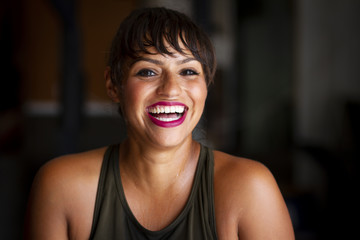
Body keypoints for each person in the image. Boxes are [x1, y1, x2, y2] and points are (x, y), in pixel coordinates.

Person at [24, 7, 295, 240]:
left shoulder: (250, 188)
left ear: (206, 86)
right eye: (148, 71)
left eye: (188, 71)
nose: (171, 89)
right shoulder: (61, 187)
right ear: (113, 84)